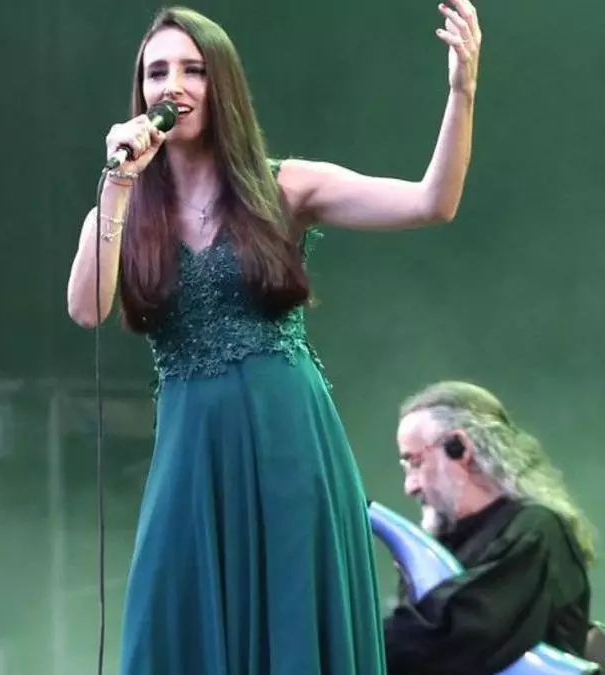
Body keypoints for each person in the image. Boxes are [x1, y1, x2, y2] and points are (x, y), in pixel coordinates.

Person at [64, 3, 481, 674]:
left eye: (194, 70)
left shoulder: (283, 186)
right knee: (175, 617)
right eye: (158, 72)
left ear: (221, 84)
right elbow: (88, 309)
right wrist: (116, 184)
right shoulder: (121, 207)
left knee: (292, 619)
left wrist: (462, 92)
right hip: (192, 449)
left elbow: (432, 202)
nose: (174, 86)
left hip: (289, 437)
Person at [386, 381, 595, 674]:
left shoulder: (537, 530)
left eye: (415, 462)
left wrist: (350, 643)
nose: (410, 486)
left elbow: (453, 635)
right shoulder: (440, 547)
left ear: (459, 447)